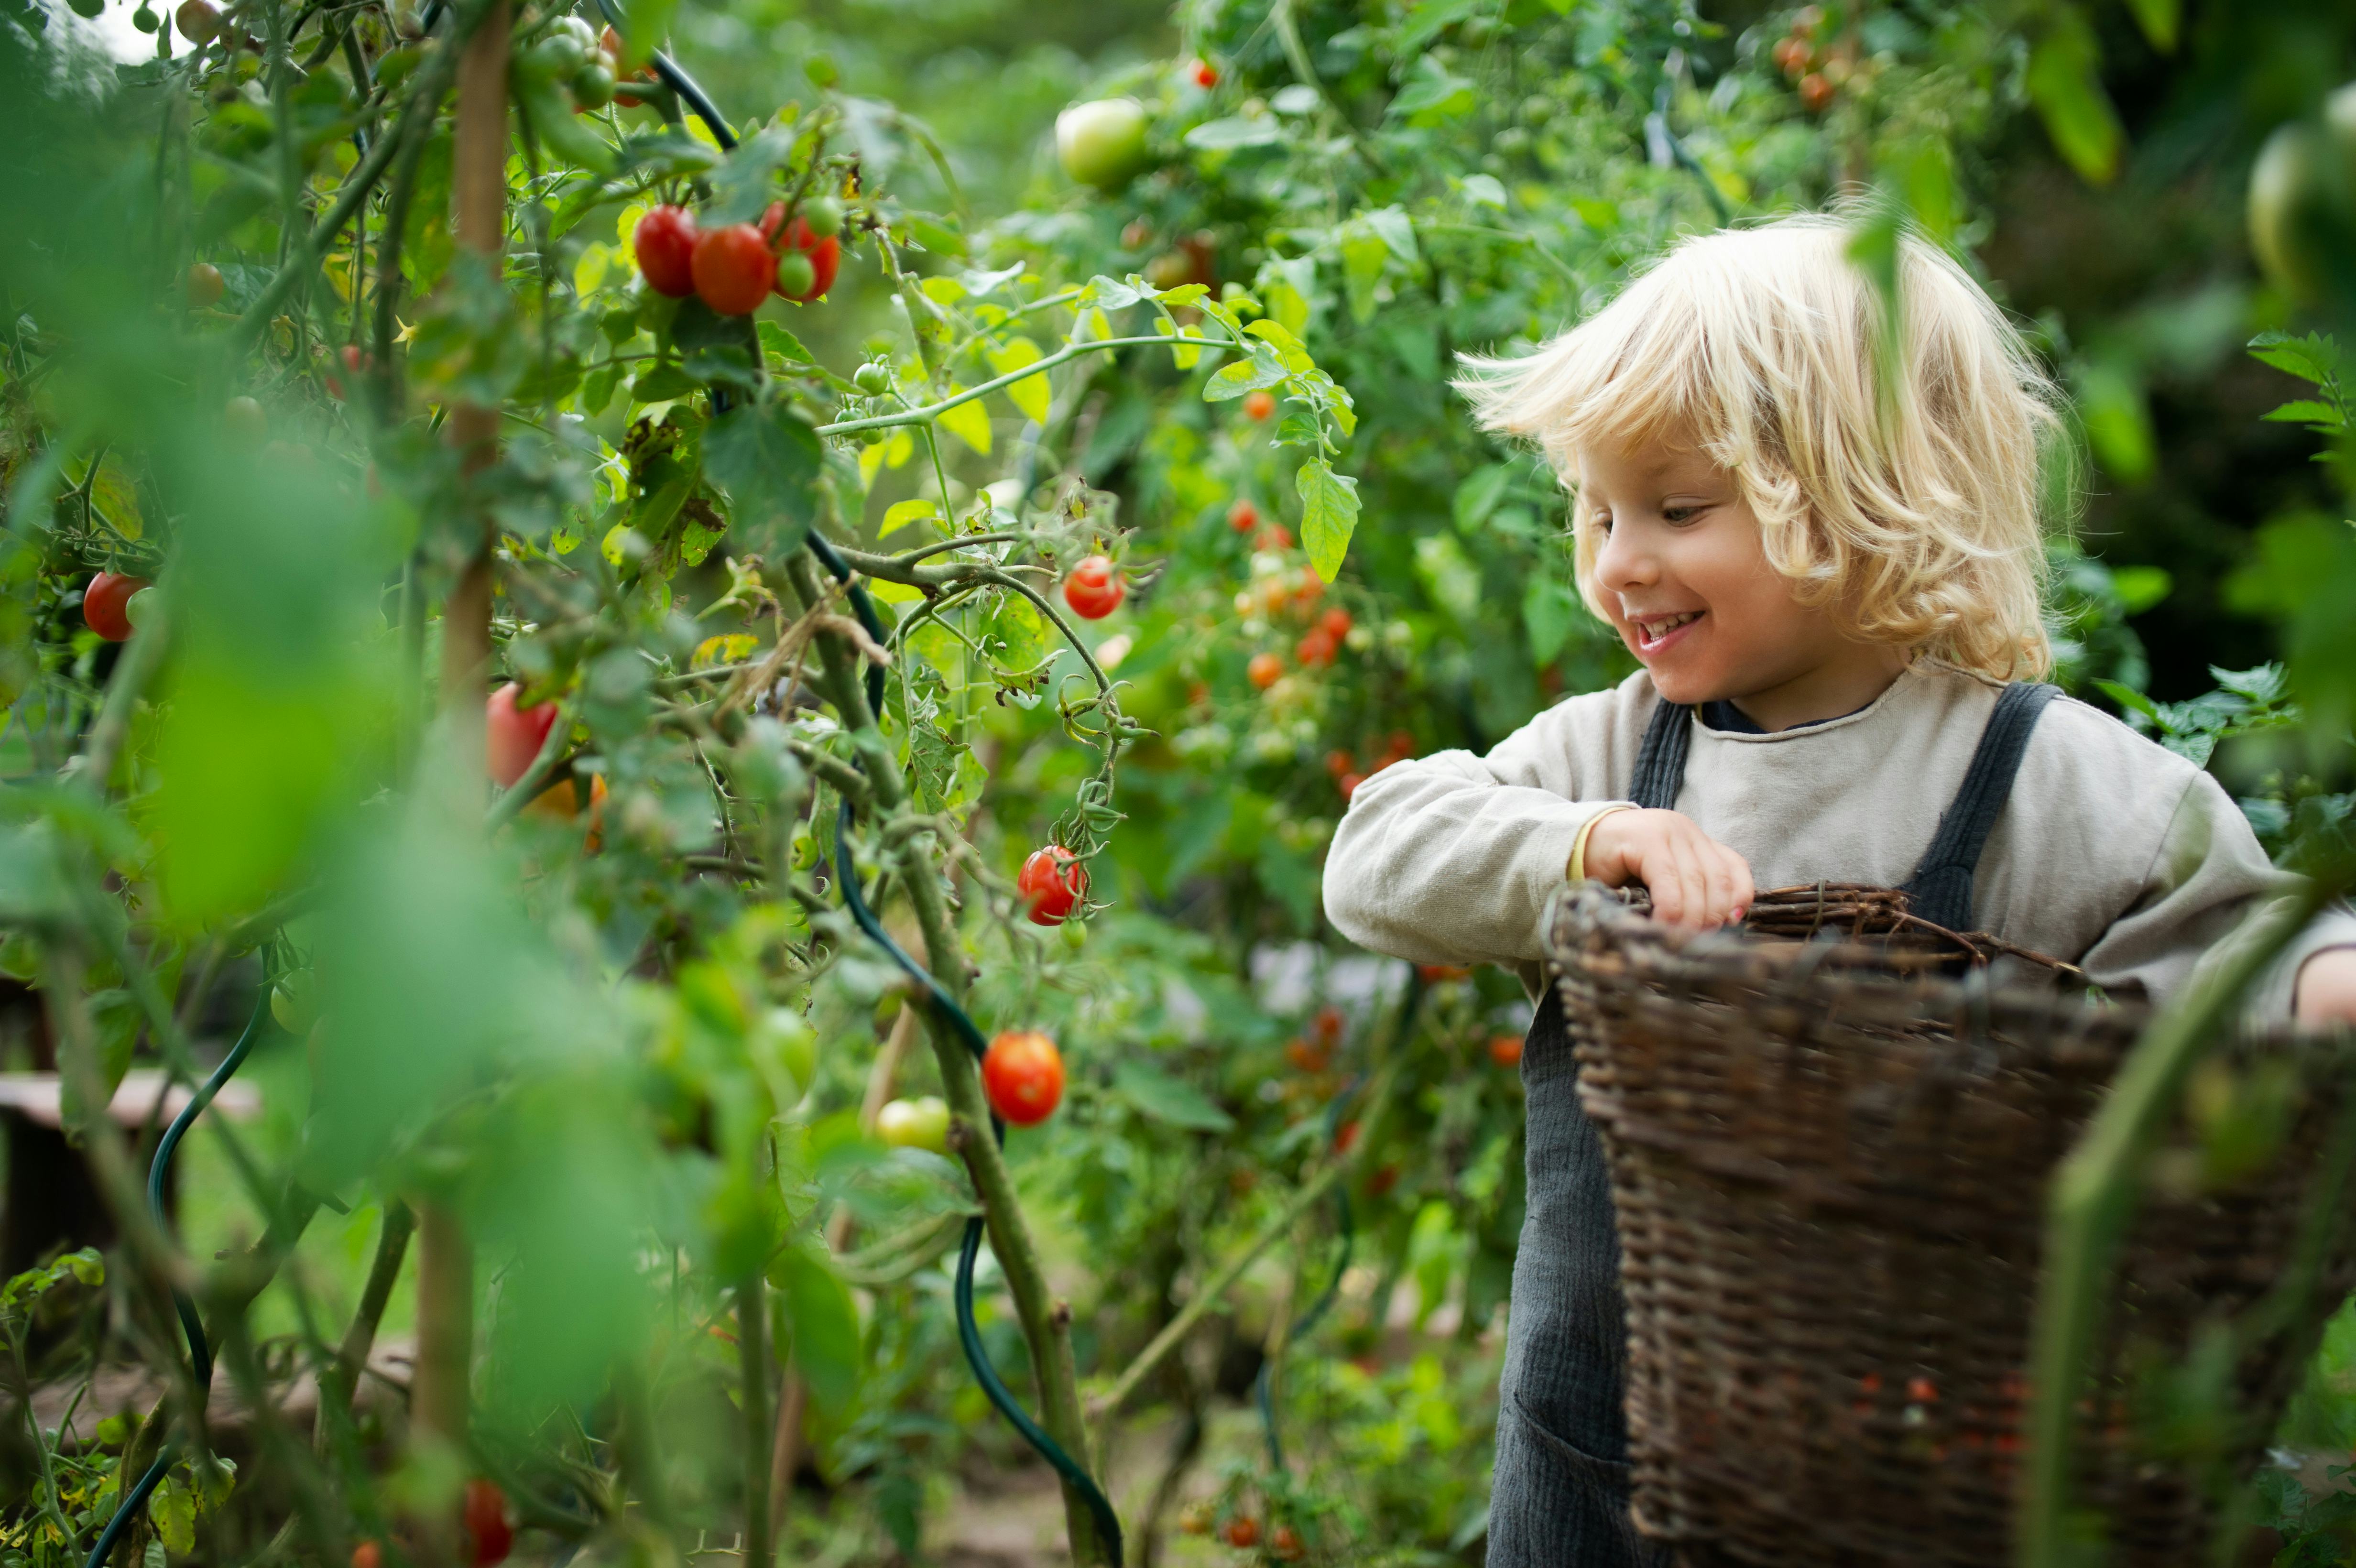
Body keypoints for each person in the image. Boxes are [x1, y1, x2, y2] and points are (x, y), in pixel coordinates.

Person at [1320, 214, 2356, 1568]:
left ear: (1867, 492)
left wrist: (2318, 981)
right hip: (1598, 1457)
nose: (1620, 560)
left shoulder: (2034, 772)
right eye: (1599, 510)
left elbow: (2232, 935)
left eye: (1680, 509)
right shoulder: (1612, 752)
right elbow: (1380, 854)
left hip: (1903, 1475)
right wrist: (1587, 842)